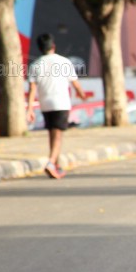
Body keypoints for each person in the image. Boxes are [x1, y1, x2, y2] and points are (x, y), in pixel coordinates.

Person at [26, 33, 87, 179]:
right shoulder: (64, 62)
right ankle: (51, 162)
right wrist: (82, 94)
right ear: (53, 46)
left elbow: (32, 89)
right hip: (61, 102)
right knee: (58, 135)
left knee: (52, 133)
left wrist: (29, 109)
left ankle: (57, 166)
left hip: (45, 103)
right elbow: (75, 83)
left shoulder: (35, 65)